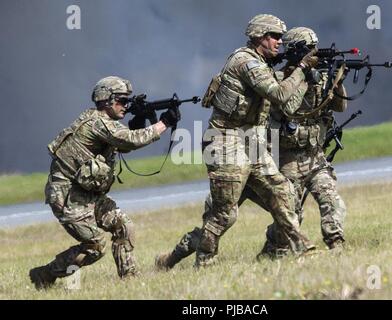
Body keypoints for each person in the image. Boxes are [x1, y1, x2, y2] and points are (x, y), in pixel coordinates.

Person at [157, 14, 319, 269]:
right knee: (224, 214)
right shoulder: (245, 62)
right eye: (274, 37)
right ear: (259, 37)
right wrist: (300, 69)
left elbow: (289, 105)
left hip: (251, 140)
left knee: (282, 192)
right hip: (224, 140)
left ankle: (301, 247)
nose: (279, 42)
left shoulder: (263, 65)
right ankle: (204, 266)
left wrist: (302, 74)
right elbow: (279, 94)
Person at [29, 76, 180, 290]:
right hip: (68, 197)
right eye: (121, 100)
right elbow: (130, 140)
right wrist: (164, 124)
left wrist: (140, 122)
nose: (125, 106)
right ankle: (44, 275)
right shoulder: (97, 123)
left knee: (124, 226)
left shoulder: (106, 124)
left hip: (87, 194)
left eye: (127, 101)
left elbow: (124, 143)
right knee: (95, 246)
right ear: (106, 100)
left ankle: (130, 280)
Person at [258, 27, 348, 258]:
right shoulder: (279, 81)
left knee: (331, 199)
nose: (314, 54)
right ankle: (271, 251)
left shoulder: (321, 77)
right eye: (310, 50)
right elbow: (286, 106)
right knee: (291, 215)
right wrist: (304, 76)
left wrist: (337, 82)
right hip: (288, 159)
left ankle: (337, 245)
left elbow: (340, 106)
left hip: (315, 156)